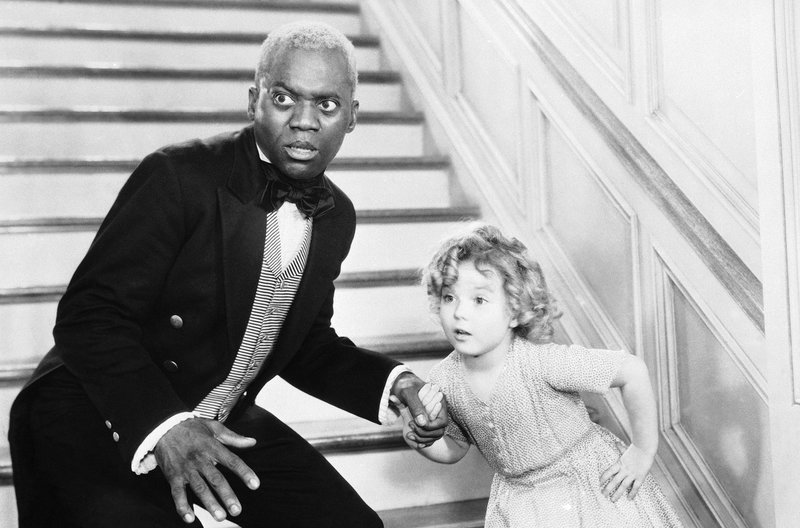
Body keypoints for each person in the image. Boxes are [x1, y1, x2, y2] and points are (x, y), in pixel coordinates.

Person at [9, 21, 445, 528]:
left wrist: (392, 382)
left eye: (327, 105)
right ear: (254, 100)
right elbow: (89, 317)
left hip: (216, 412)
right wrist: (166, 425)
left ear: (352, 116)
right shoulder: (179, 175)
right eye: (284, 98)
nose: (304, 122)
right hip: (98, 408)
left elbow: (305, 344)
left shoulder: (336, 216)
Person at [401, 223, 684, 527]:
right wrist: (418, 436)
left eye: (479, 300)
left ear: (515, 310)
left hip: (591, 489)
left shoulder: (542, 362)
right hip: (520, 504)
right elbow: (455, 448)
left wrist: (642, 450)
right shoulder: (444, 379)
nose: (459, 313)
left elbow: (632, 371)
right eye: (448, 297)